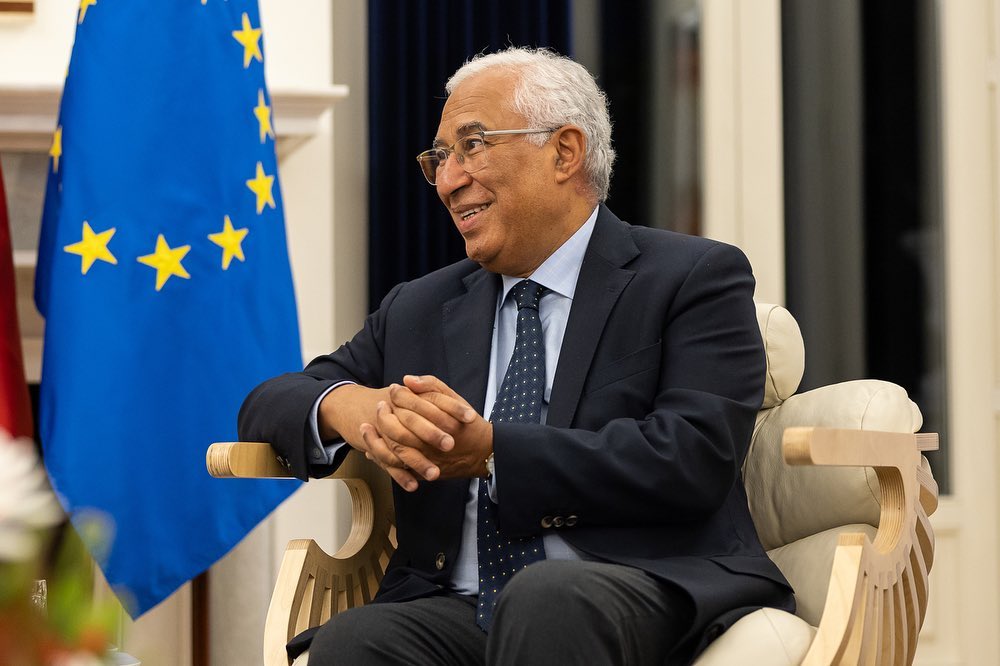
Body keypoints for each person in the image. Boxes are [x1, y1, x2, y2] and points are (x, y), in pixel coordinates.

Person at [238, 47, 794, 666]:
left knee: (546, 597)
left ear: (564, 152)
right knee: (352, 641)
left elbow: (694, 456)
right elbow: (268, 404)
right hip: (457, 605)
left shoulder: (691, 277)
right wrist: (354, 407)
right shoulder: (420, 307)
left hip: (641, 583)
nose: (448, 181)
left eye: (472, 146)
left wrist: (494, 452)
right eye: (440, 158)